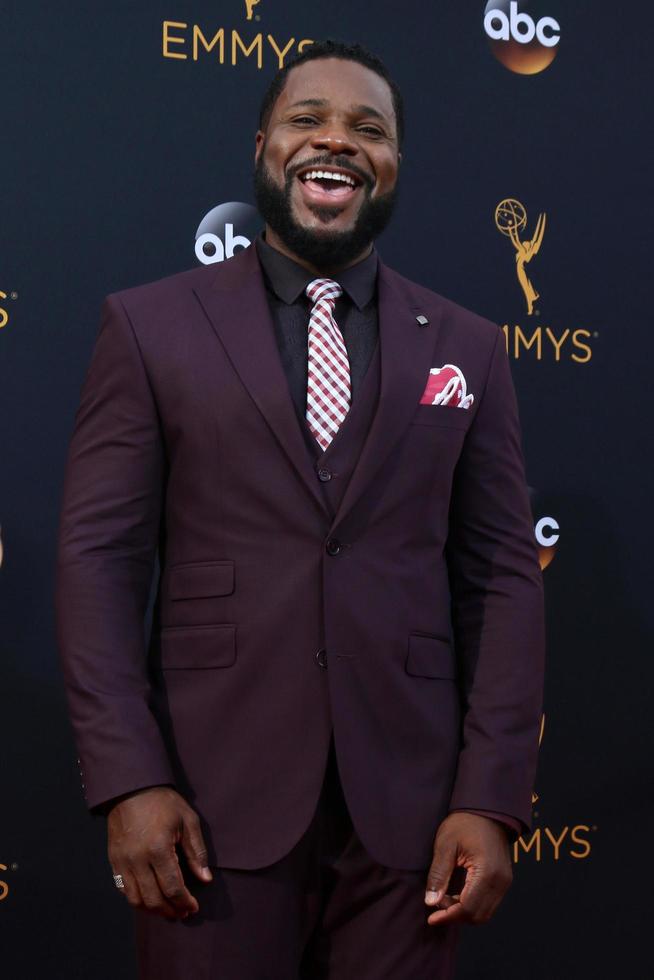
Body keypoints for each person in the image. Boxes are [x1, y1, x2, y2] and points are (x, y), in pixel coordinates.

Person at [55, 40, 545, 980]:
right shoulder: (150, 326)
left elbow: (502, 582)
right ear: (263, 146)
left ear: (397, 162)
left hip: (409, 827)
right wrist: (129, 778)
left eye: (370, 129)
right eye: (307, 119)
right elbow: (99, 564)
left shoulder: (468, 348)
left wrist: (491, 795)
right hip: (205, 814)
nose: (338, 141)